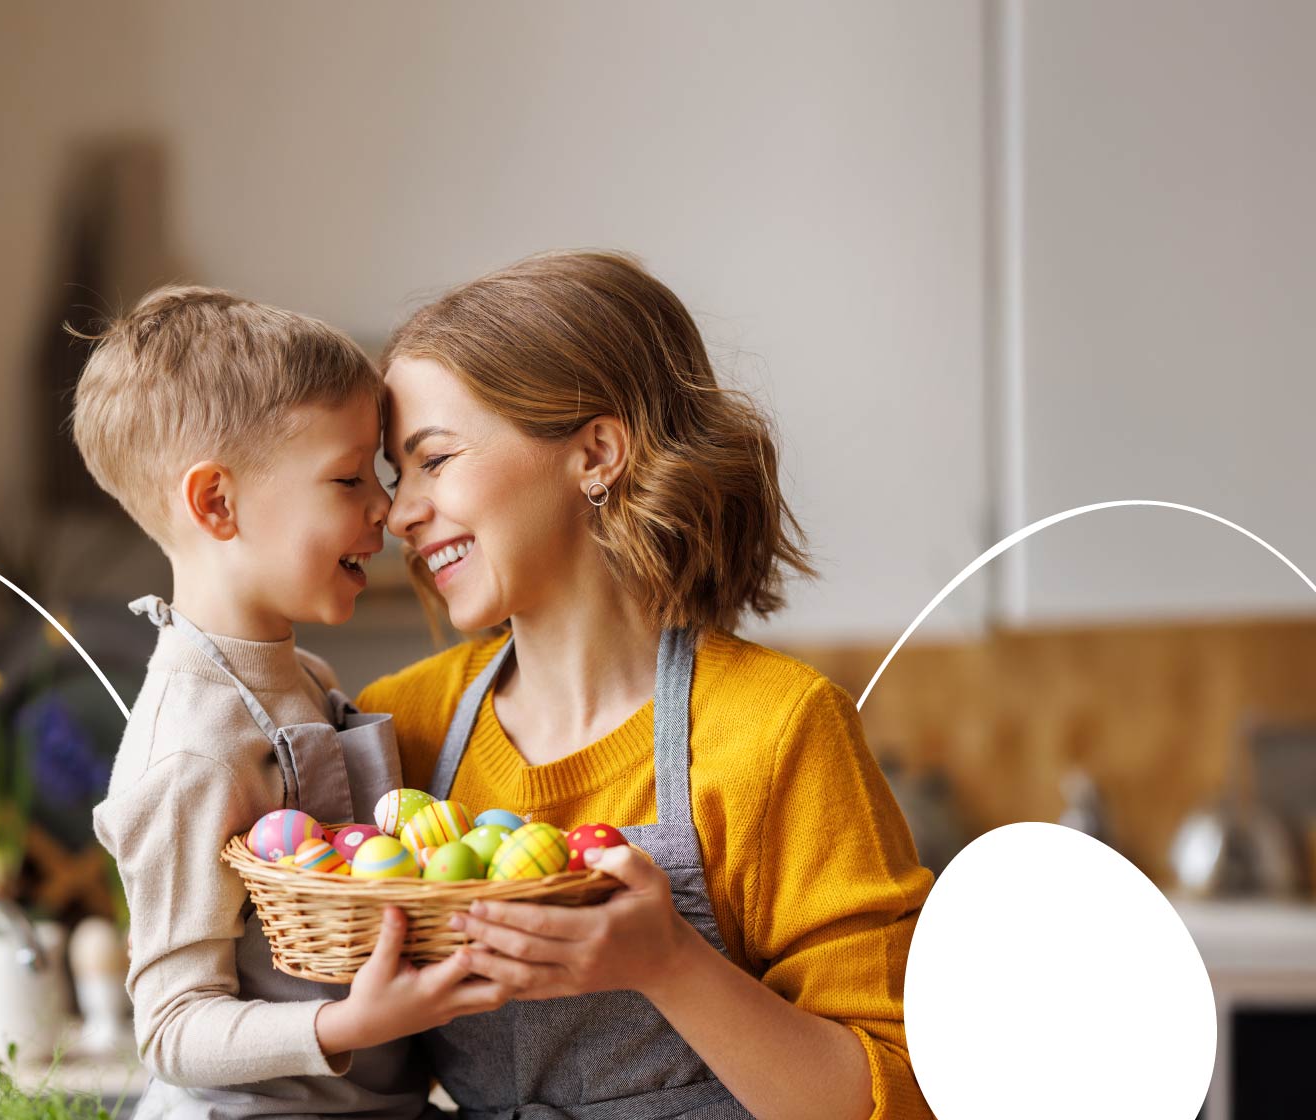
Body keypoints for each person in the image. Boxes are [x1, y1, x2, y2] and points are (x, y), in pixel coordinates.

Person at [358, 251, 936, 1120]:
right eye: (398, 479)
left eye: (435, 460)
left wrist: (667, 961)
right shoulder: (401, 724)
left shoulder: (774, 730)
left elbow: (893, 1093)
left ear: (595, 452)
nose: (401, 512)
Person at [76, 286, 505, 1119]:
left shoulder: (302, 675)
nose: (387, 506)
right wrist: (348, 1022)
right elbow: (170, 1027)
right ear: (216, 504)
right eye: (348, 478)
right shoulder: (193, 744)